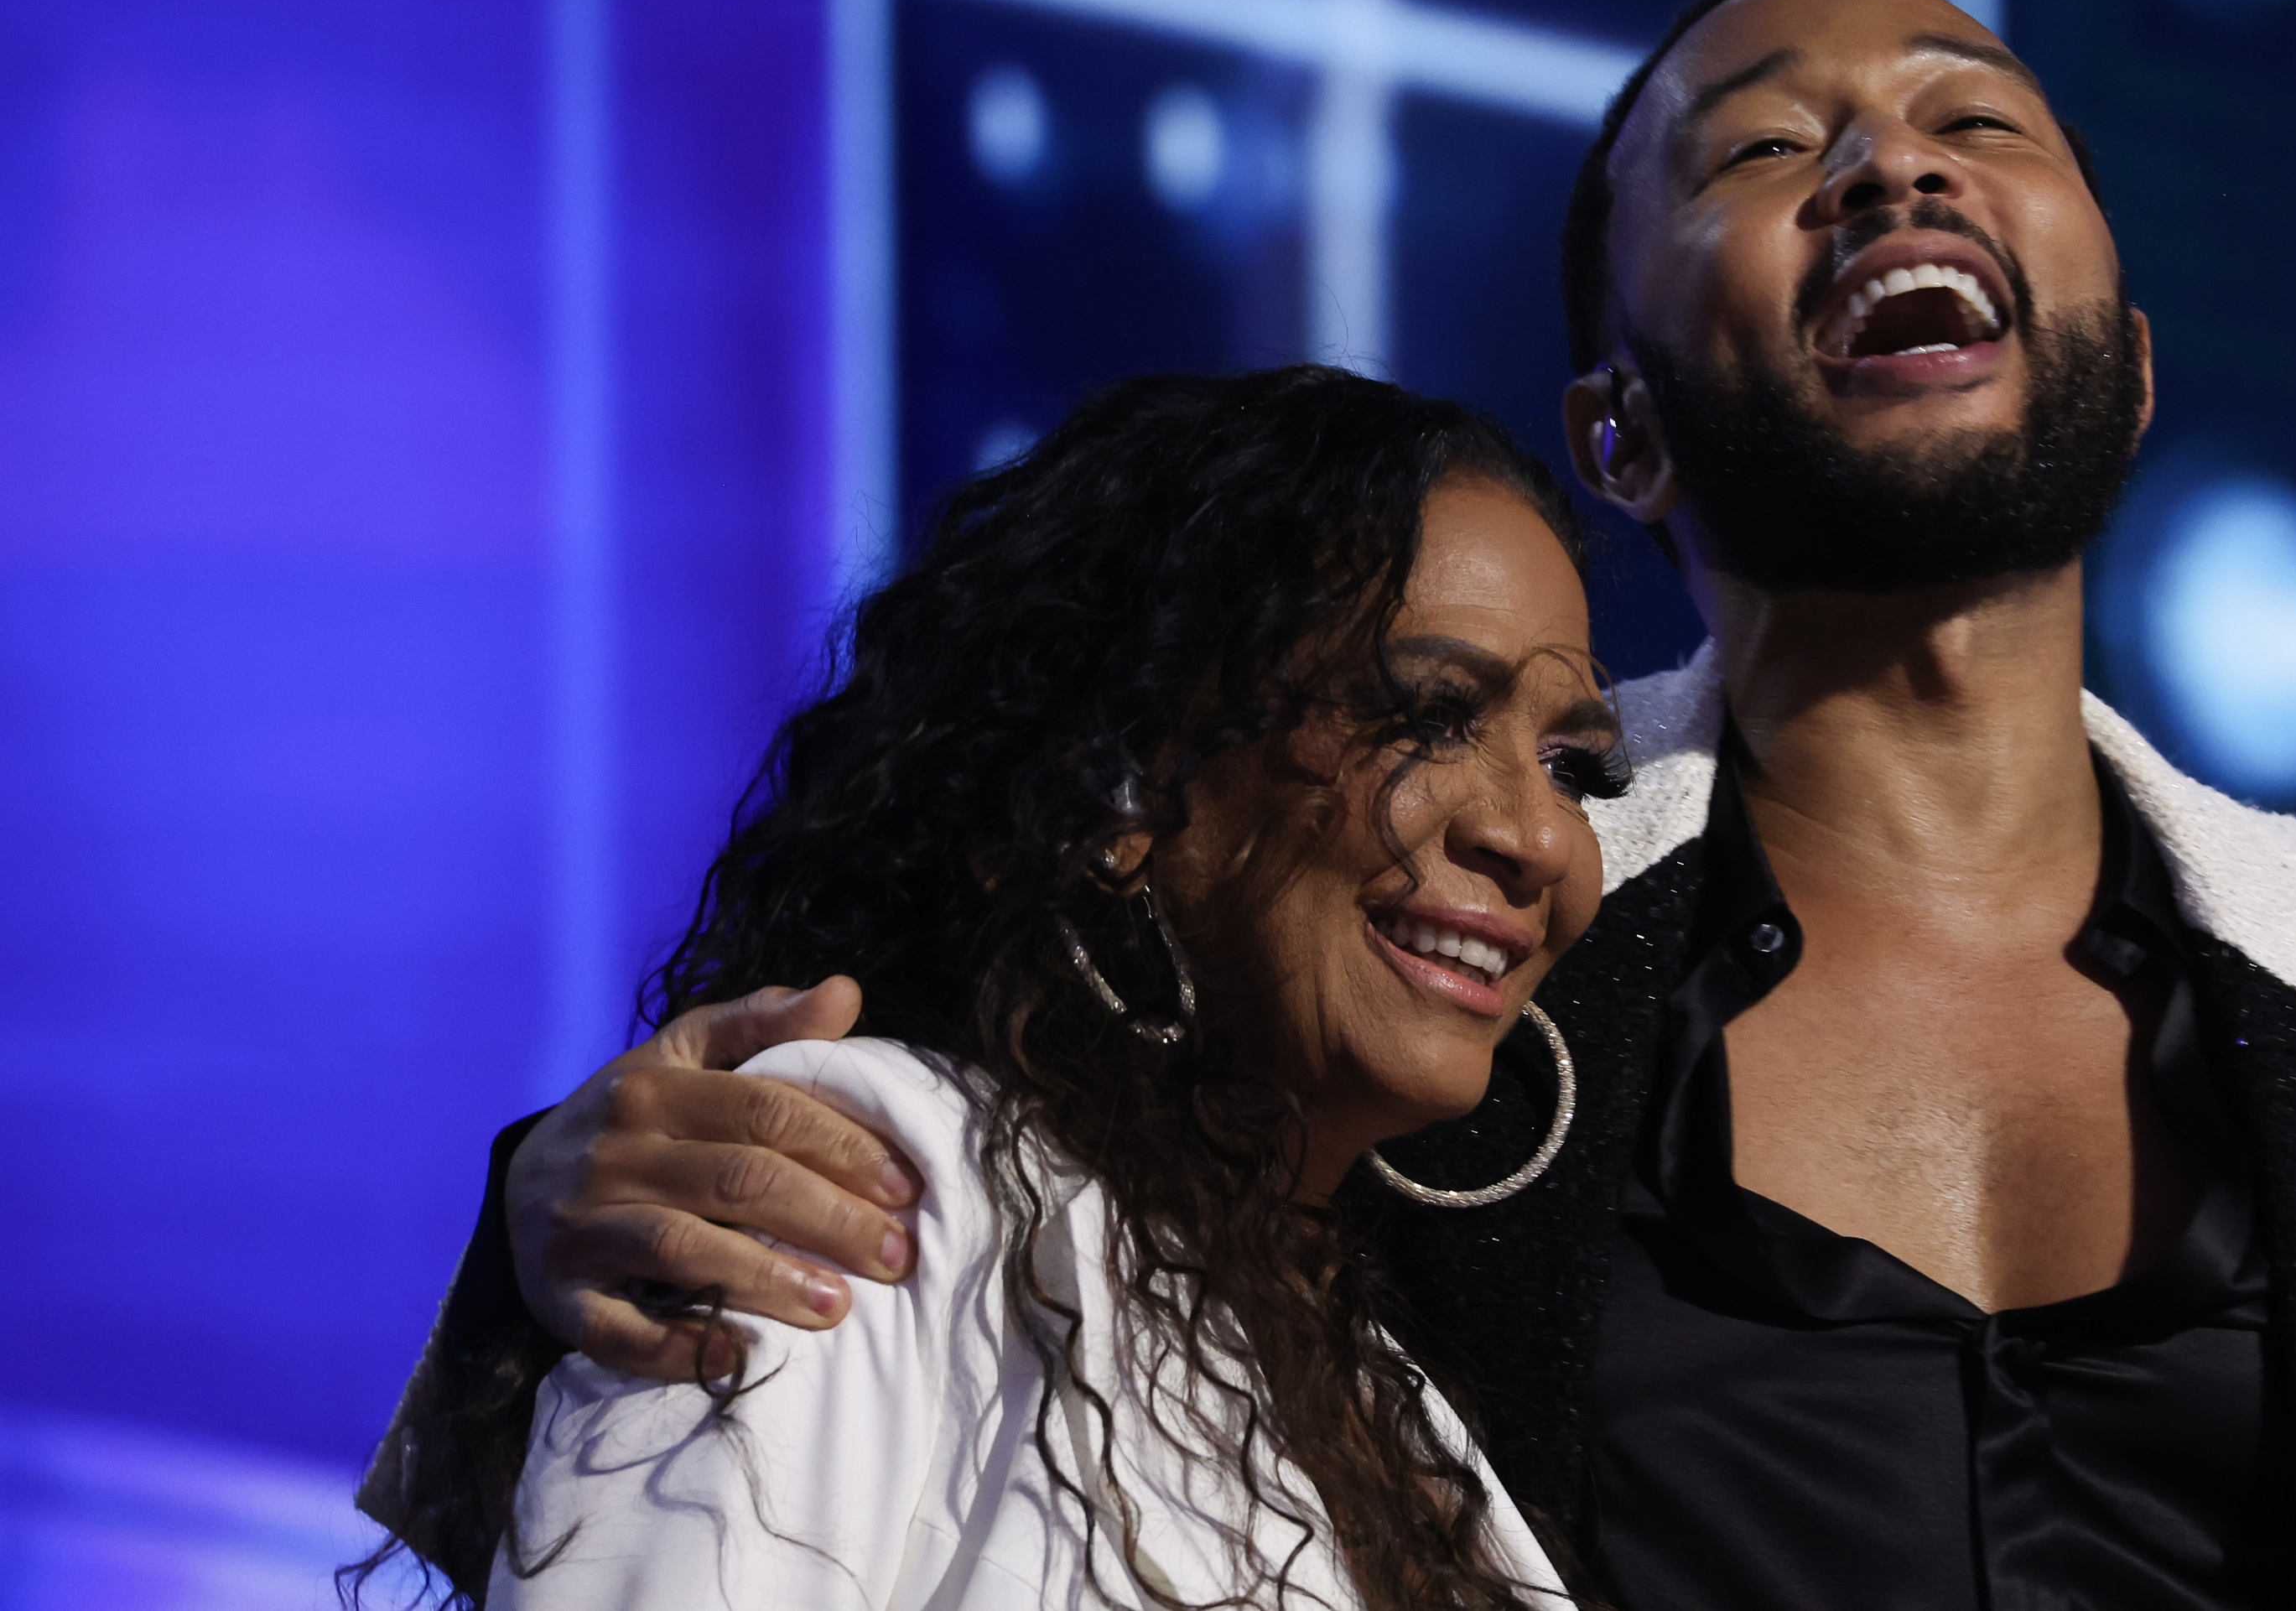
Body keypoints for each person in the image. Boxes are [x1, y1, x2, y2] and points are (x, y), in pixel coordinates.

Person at [374, 0, 2296, 1611]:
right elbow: (940, 1286)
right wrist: (550, 1224)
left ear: (2123, 344)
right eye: (1774, 144)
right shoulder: (1414, 949)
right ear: (1612, 421)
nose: (1893, 170)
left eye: (1977, 120)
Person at [359, 366, 1628, 1608]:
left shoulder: (1392, 1414)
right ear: (1126, 792)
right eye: (1430, 713)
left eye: (1572, 766)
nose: (1543, 838)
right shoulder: (859, 1190)